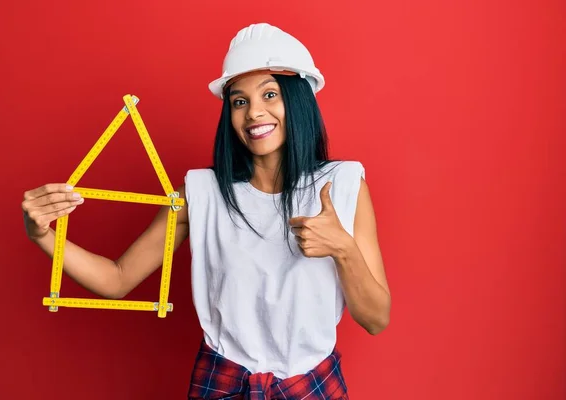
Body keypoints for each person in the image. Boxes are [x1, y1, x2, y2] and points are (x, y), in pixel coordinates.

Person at [21, 22, 391, 400]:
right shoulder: (202, 193)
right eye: (240, 101)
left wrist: (343, 249)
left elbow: (376, 320)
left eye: (270, 94)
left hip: (311, 387)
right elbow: (116, 279)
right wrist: (43, 235)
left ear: (298, 101)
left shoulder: (343, 186)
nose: (254, 113)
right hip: (222, 385)